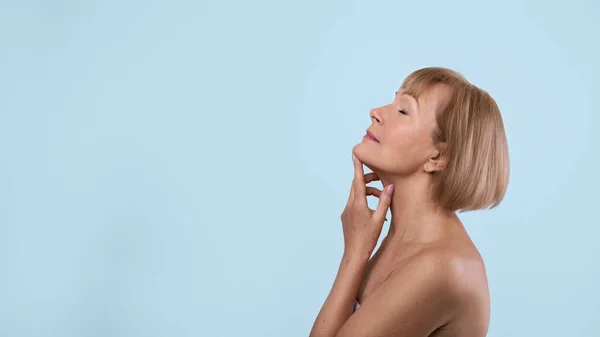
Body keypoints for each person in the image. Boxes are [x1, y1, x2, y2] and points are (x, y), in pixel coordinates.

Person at [309, 67, 510, 337]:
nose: (376, 111)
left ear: (437, 157)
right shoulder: (400, 241)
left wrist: (355, 253)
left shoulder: (441, 266)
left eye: (403, 111)